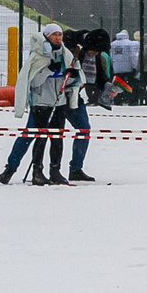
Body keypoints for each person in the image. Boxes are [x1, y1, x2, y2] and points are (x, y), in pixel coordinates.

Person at [0, 22, 72, 185]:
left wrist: (71, 75)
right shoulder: (38, 55)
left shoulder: (66, 54)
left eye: (60, 34)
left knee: (57, 138)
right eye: (54, 35)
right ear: (47, 36)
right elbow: (33, 82)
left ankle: (55, 170)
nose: (58, 38)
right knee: (39, 137)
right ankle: (36, 171)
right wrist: (49, 70)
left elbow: (73, 78)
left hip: (59, 102)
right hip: (42, 102)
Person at [65, 29, 104, 182]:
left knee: (84, 129)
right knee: (42, 133)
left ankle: (76, 168)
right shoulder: (73, 49)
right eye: (93, 51)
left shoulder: (94, 54)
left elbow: (99, 76)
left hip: (74, 96)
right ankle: (14, 167)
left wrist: (107, 86)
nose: (94, 55)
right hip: (57, 96)